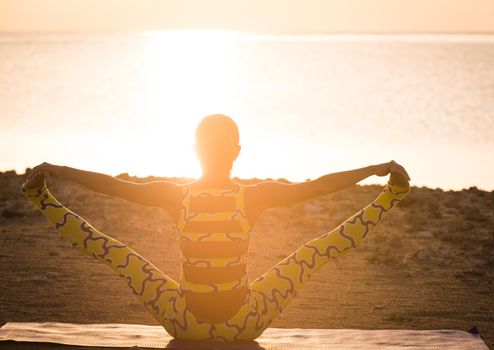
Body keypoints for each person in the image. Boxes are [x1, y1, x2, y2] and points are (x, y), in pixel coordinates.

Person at [22, 113, 411, 341]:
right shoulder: (252, 196)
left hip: (184, 323)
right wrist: (374, 172)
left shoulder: (176, 196)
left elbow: (115, 186)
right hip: (244, 323)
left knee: (117, 254)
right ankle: (391, 197)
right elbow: (316, 187)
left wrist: (58, 171)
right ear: (237, 152)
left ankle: (41, 199)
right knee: (312, 254)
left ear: (194, 151)